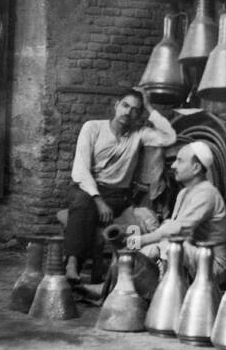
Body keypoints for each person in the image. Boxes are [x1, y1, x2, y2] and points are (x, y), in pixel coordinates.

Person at [59, 88, 175, 280]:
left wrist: (149, 107)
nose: (128, 112)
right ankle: (72, 263)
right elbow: (80, 170)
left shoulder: (140, 134)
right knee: (83, 201)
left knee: (87, 208)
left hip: (116, 195)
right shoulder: (92, 127)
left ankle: (82, 265)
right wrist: (98, 200)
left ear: (139, 114)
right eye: (125, 105)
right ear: (116, 105)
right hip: (85, 188)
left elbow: (170, 137)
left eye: (135, 110)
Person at [127, 141, 226, 286]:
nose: (173, 165)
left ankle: (166, 293)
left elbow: (175, 232)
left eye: (180, 161)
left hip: (213, 264)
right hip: (192, 255)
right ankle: (139, 289)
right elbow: (173, 230)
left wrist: (139, 241)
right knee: (140, 254)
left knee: (169, 245)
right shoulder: (183, 193)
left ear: (195, 168)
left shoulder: (207, 193)